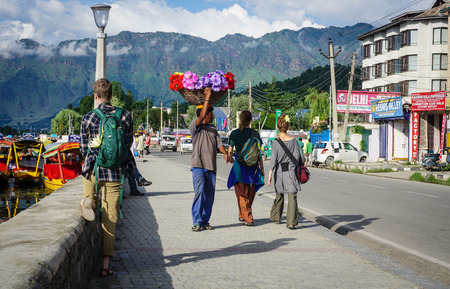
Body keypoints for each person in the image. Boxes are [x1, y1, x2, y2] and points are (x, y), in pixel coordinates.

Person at [79, 78, 135, 277]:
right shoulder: (125, 116)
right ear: (111, 95)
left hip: (93, 170)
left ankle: (89, 202)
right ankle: (105, 266)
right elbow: (127, 145)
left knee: (90, 199)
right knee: (110, 219)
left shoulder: (88, 117)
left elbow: (83, 149)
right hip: (114, 173)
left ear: (95, 96)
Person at [190, 87, 230, 232]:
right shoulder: (196, 127)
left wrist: (225, 153)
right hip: (198, 166)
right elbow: (200, 116)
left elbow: (219, 143)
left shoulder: (213, 129)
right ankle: (197, 221)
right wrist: (207, 97)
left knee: (209, 195)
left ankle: (205, 221)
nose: (213, 116)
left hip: (211, 166)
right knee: (199, 192)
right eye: (211, 114)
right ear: (205, 114)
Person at [227, 110, 265, 226]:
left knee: (241, 194)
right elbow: (259, 153)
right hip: (253, 168)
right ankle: (242, 214)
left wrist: (229, 158)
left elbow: (229, 151)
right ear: (250, 120)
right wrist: (262, 168)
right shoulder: (255, 133)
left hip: (239, 167)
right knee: (250, 193)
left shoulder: (234, 133)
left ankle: (248, 218)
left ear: (240, 119)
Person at [268, 114, 305, 230]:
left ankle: (276, 217)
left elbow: (273, 159)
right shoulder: (294, 142)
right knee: (292, 196)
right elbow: (301, 158)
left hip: (279, 171)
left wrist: (269, 174)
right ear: (288, 128)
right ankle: (291, 222)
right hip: (291, 171)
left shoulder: (275, 142)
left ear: (277, 128)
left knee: (279, 194)